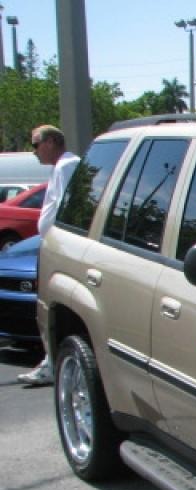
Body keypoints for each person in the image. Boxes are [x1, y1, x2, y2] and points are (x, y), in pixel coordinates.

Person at [17, 125, 80, 387]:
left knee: (49, 308)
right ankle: (50, 361)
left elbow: (67, 206)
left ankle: (52, 363)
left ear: (52, 141)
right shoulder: (61, 167)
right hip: (53, 245)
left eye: (36, 144)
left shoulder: (67, 166)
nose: (33, 152)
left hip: (60, 248)